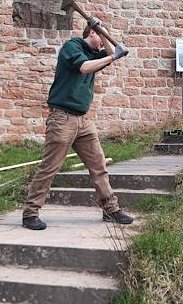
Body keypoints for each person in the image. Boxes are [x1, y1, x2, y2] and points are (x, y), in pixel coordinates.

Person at [22, 20, 134, 230]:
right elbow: (84, 68)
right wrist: (113, 53)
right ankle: (30, 213)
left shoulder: (95, 54)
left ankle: (111, 210)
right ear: (91, 32)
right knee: (50, 168)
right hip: (62, 119)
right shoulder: (72, 47)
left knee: (99, 165)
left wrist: (109, 41)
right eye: (101, 37)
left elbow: (109, 58)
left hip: (83, 120)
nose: (103, 44)